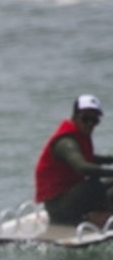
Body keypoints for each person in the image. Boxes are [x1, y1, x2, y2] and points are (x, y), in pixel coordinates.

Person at [34, 94, 113, 227]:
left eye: (95, 120)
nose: (90, 124)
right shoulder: (65, 142)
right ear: (75, 117)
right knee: (93, 184)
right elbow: (83, 167)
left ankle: (104, 212)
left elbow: (90, 158)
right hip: (58, 208)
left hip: (70, 195)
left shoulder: (79, 136)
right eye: (86, 118)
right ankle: (96, 217)